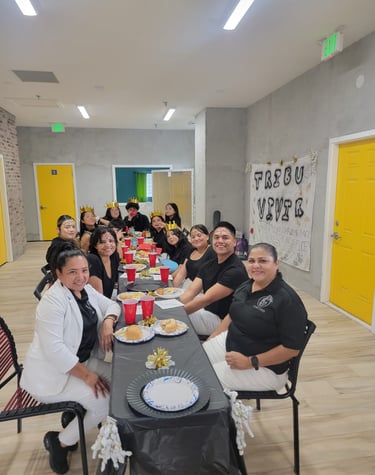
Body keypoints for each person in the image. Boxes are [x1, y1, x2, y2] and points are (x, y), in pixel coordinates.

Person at [20, 249, 121, 474]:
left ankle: (78, 416)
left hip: (83, 362)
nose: (81, 277)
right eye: (72, 272)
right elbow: (55, 351)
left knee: (123, 378)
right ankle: (60, 441)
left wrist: (108, 322)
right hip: (55, 374)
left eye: (84, 270)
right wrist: (88, 376)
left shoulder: (84, 290)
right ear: (58, 273)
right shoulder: (52, 302)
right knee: (106, 401)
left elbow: (113, 304)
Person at [203, 242, 308, 391]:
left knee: (205, 380)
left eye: (263, 261)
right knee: (196, 361)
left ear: (276, 264)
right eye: (251, 261)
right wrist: (213, 337)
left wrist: (250, 361)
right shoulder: (246, 285)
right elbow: (232, 315)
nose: (256, 265)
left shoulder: (287, 300)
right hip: (232, 342)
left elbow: (292, 349)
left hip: (265, 367)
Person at [179, 221, 248, 335]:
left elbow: (206, 299)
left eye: (225, 237)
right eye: (217, 237)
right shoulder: (209, 264)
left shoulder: (236, 270)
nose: (220, 241)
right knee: (173, 302)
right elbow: (190, 292)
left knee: (175, 320)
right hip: (208, 312)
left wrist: (174, 312)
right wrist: (172, 306)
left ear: (234, 242)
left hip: (223, 323)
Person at [173, 224, 216, 288]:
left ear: (207, 236)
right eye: (193, 237)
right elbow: (182, 273)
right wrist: (172, 289)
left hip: (204, 290)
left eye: (199, 235)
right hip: (188, 284)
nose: (196, 239)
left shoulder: (212, 251)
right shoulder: (191, 250)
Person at [87, 227, 120, 298]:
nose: (108, 245)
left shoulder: (114, 256)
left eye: (111, 241)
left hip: (108, 302)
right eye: (102, 242)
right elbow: (98, 298)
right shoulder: (92, 259)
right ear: (95, 245)